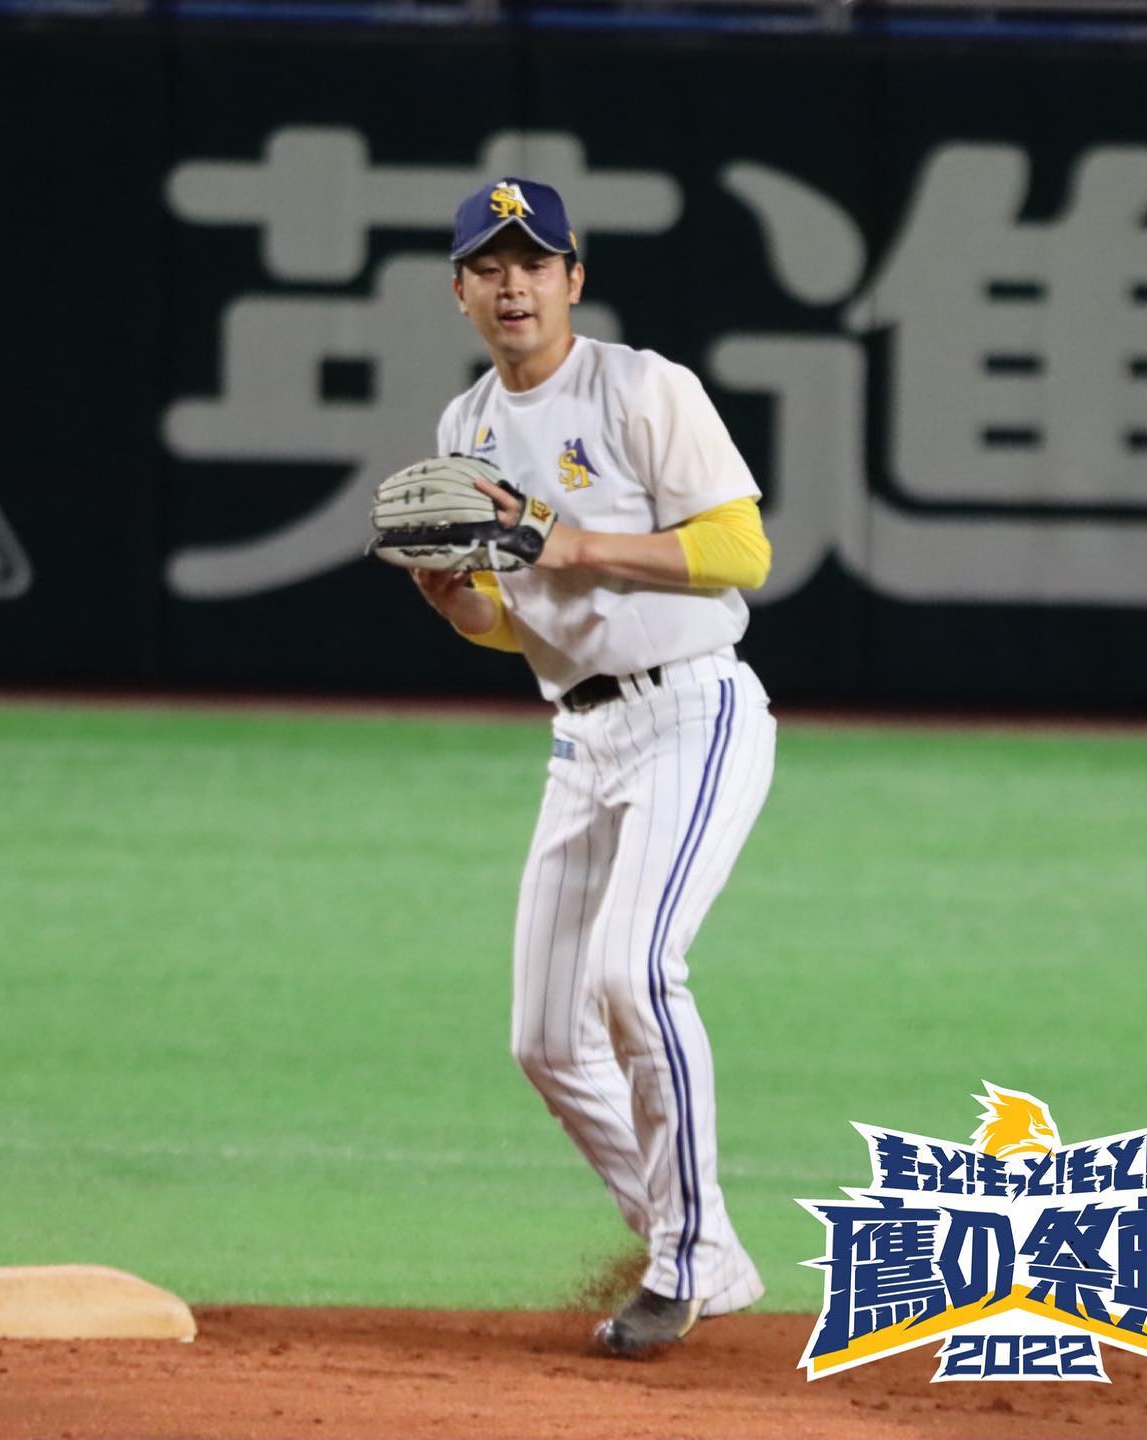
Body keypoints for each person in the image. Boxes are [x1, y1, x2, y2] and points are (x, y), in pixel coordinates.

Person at [410, 177, 777, 1355]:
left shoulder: (642, 388)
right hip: (581, 735)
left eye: (535, 262)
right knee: (546, 1040)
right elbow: (513, 622)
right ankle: (701, 1247)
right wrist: (458, 605)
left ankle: (682, 1260)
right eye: (489, 266)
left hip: (692, 711)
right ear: (460, 291)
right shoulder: (465, 428)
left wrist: (571, 541)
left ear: (574, 277)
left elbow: (742, 551)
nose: (512, 284)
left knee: (635, 971)